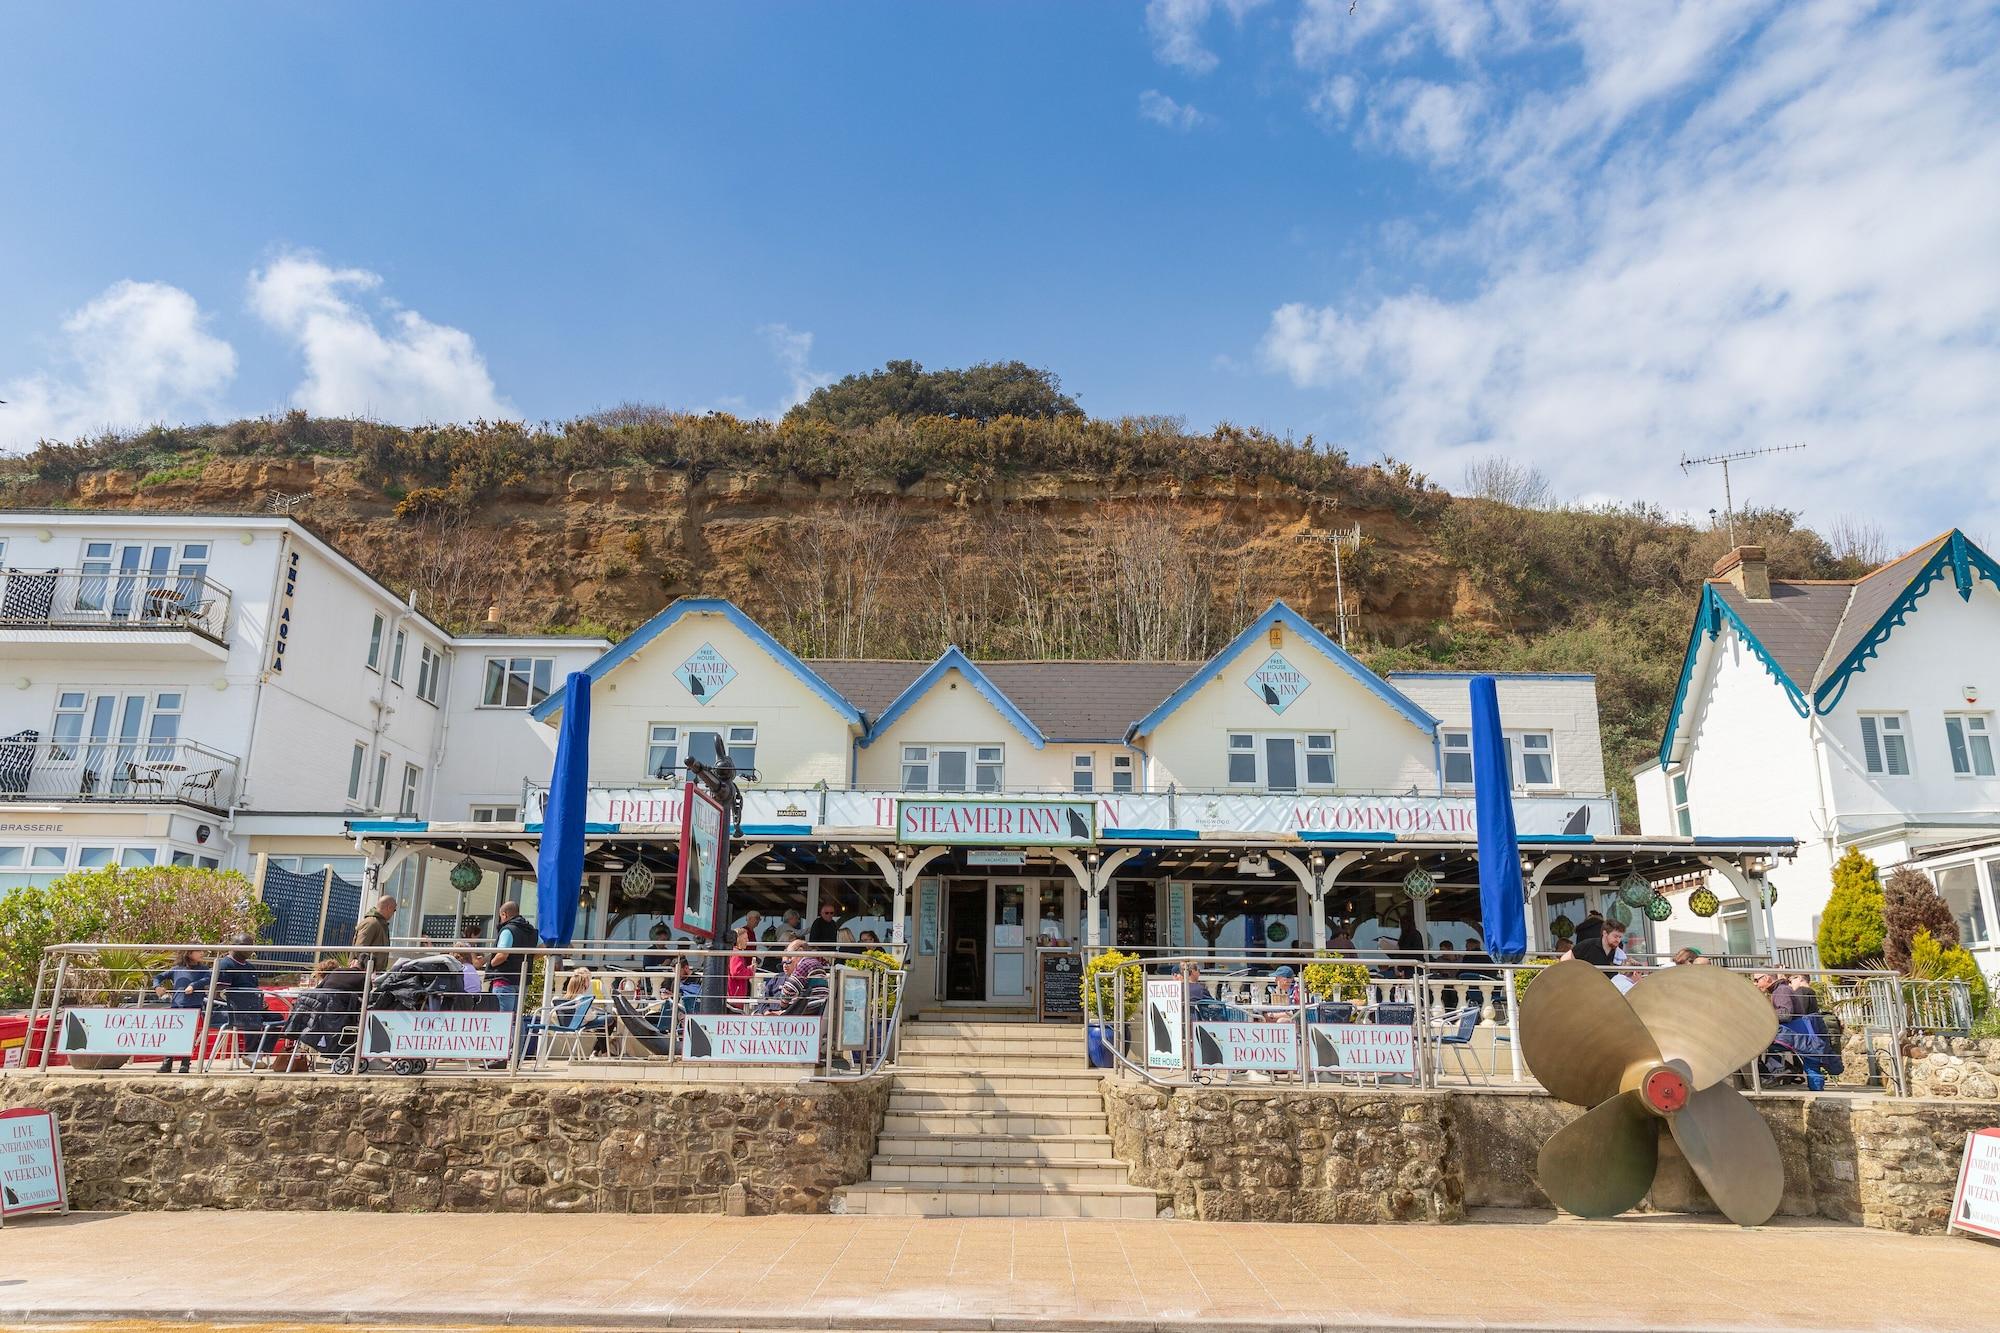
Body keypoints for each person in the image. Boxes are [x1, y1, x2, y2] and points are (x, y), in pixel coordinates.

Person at [151, 948, 213, 1072]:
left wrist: (193, 985)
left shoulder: (204, 969)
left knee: (189, 1036)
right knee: (173, 1035)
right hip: (177, 1006)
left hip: (194, 1006)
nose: (202, 953)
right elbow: (158, 977)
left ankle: (185, 1063)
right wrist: (157, 987)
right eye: (199, 951)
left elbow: (207, 979)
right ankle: (167, 1063)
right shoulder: (176, 969)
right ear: (189, 953)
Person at [485, 900, 537, 1010]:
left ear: (504, 914)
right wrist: (527, 958)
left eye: (501, 916)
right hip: (523, 979)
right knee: (517, 1018)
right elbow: (543, 948)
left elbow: (502, 955)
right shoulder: (530, 930)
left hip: (504, 979)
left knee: (503, 1018)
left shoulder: (508, 930)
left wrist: (491, 963)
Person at [352, 895, 398, 962]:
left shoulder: (381, 924)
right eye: (394, 910)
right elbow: (360, 949)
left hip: (374, 970)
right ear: (389, 908)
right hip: (366, 970)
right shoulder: (371, 923)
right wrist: (368, 967)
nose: (393, 914)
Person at [726, 927, 757, 1006]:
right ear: (738, 939)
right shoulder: (736, 954)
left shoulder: (733, 952)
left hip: (734, 995)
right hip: (735, 996)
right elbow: (736, 972)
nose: (747, 941)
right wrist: (750, 970)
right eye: (745, 938)